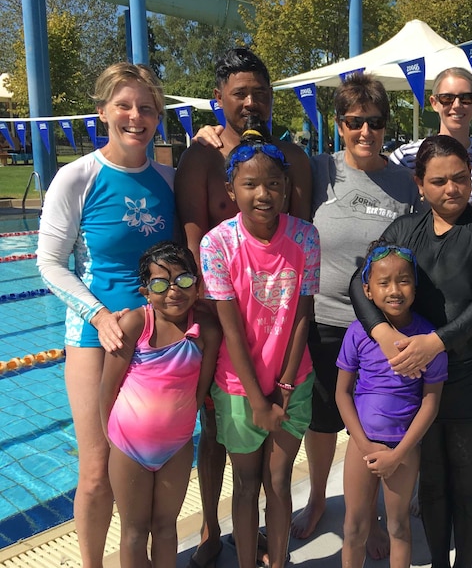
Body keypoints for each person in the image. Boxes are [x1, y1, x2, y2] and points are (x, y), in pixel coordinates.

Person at [350, 134, 472, 568]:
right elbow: (359, 281)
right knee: (434, 479)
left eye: (461, 178)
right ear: (419, 183)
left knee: (466, 474)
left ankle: (464, 564)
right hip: (418, 382)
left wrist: (436, 342)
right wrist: (383, 335)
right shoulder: (407, 228)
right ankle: (440, 562)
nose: (452, 189)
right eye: (439, 181)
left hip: (470, 374)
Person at [174, 46, 312, 568]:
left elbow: (296, 243)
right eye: (240, 93)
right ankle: (213, 529)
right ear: (219, 100)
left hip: (275, 319)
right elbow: (192, 235)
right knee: (216, 434)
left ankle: (259, 538)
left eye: (260, 92)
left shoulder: (291, 158)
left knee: (264, 455)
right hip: (216, 318)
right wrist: (204, 315)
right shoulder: (201, 158)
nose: (252, 102)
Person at [37, 62, 175, 568]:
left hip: (159, 342)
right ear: (102, 112)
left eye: (145, 107)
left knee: (148, 466)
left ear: (158, 116)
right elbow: (49, 263)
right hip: (97, 338)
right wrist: (98, 316)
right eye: (124, 105)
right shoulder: (78, 177)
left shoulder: (169, 178)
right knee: (96, 470)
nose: (135, 116)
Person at [291, 72, 422, 559]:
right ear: (338, 124)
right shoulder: (321, 170)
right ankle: (321, 499)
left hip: (383, 330)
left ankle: (385, 514)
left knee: (384, 423)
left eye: (374, 122)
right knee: (324, 423)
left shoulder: (403, 184)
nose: (365, 132)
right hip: (327, 320)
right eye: (354, 122)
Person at [199, 123, 320, 568]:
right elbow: (231, 329)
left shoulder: (305, 236)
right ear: (232, 189)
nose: (263, 193)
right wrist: (256, 399)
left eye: (273, 183)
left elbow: (302, 316)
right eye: (250, 184)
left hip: (293, 380)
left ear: (286, 188)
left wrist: (283, 390)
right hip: (237, 386)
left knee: (280, 483)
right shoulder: (218, 243)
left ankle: (280, 561)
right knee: (247, 485)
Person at [100, 241, 221, 568]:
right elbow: (107, 388)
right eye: (160, 284)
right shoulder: (136, 324)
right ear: (145, 291)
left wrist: (181, 425)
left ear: (197, 284)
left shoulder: (206, 329)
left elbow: (201, 387)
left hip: (176, 447)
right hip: (128, 446)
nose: (173, 291)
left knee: (166, 529)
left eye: (183, 280)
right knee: (134, 532)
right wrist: (111, 439)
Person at [336, 241, 448, 568]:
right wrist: (364, 444)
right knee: (354, 526)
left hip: (404, 448)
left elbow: (431, 402)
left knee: (399, 525)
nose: (394, 290)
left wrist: (397, 455)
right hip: (362, 445)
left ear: (415, 287)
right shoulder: (358, 333)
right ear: (367, 291)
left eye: (403, 280)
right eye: (383, 283)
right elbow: (342, 393)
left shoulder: (428, 338)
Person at [389, 67, 472, 207]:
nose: (457, 105)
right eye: (447, 98)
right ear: (434, 103)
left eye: (466, 98)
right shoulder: (406, 157)